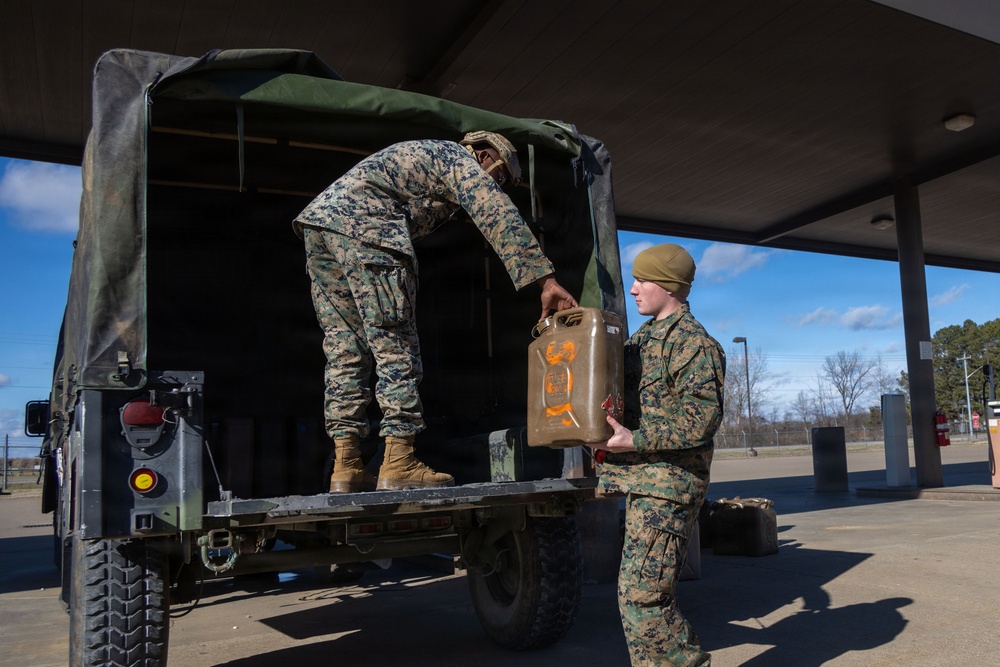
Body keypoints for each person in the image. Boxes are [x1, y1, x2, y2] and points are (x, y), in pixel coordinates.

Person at [294, 131, 578, 493]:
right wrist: (546, 281)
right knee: (395, 344)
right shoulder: (456, 158)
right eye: (500, 176)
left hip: (320, 229)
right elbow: (497, 213)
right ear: (484, 156)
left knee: (345, 350)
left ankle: (347, 466)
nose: (497, 185)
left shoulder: (423, 159)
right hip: (369, 230)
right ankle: (398, 462)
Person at [590, 244, 725, 666]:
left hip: (668, 486)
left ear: (667, 286)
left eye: (642, 280)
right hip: (646, 484)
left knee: (644, 598)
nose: (632, 289)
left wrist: (637, 441)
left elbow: (700, 418)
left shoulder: (694, 344)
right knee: (639, 596)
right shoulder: (642, 340)